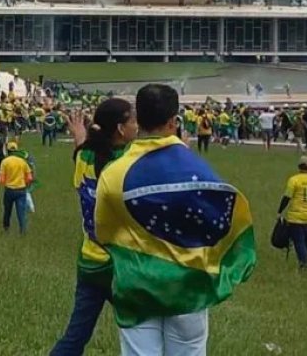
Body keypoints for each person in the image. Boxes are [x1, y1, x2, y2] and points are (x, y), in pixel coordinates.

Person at [95, 84, 255, 356]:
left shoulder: (114, 174)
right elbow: (222, 221)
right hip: (188, 288)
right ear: (173, 121)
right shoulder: (198, 171)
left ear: (138, 118)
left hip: (137, 286)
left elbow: (103, 232)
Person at [51, 99, 136, 356]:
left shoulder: (85, 157)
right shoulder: (127, 162)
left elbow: (83, 152)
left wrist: (80, 136)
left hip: (90, 261)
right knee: (142, 334)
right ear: (120, 129)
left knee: (75, 336)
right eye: (133, 120)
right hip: (120, 266)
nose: (137, 125)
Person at [278, 156, 307, 270]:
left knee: (299, 241)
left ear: (299, 166)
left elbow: (287, 197)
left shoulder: (294, 180)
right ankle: (306, 258)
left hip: (296, 216)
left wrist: (280, 210)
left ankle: (304, 263)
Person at [0, 142, 34, 235]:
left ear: (8, 151)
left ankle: (6, 229)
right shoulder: (22, 162)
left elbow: (1, 179)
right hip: (21, 190)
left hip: (9, 190)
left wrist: (5, 182)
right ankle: (23, 230)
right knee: (21, 213)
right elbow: (30, 178)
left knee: (7, 211)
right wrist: (25, 184)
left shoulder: (5, 162)